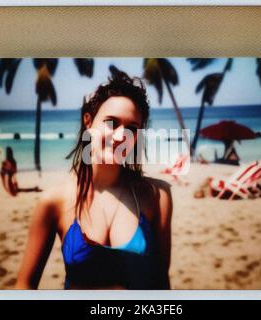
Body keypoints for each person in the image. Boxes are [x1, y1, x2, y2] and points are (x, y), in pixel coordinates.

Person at [15, 74, 173, 290]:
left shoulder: (156, 196)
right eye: (112, 123)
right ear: (88, 122)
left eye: (132, 128)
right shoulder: (54, 201)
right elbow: (24, 286)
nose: (120, 136)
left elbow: (161, 284)